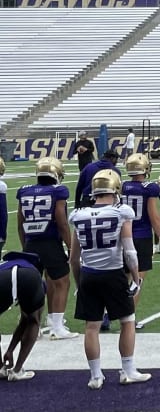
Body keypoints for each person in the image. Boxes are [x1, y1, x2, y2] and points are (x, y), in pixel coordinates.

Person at [67, 169, 150, 390]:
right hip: (113, 274)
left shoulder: (78, 214)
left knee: (91, 326)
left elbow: (73, 259)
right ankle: (128, 370)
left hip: (89, 274)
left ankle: (95, 376)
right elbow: (130, 252)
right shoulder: (121, 211)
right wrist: (135, 278)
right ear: (115, 189)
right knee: (127, 321)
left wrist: (79, 283)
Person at [16, 157, 75, 340]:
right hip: (50, 242)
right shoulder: (58, 191)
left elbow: (20, 222)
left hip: (31, 243)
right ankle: (56, 326)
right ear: (56, 173)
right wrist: (71, 246)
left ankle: (32, 325)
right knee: (63, 281)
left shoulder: (24, 191)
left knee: (33, 285)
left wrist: (25, 245)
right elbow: (61, 221)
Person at [121, 153, 160, 328]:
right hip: (141, 236)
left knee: (122, 279)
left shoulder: (121, 186)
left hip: (121, 237)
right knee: (137, 280)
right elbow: (154, 216)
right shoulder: (149, 187)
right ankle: (129, 318)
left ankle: (108, 312)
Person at [0, 249, 46, 381]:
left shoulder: (4, 265)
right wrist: (10, 350)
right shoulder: (34, 274)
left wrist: (10, 350)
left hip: (2, 278)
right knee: (34, 321)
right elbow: (29, 320)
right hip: (29, 278)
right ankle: (17, 370)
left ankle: (0, 368)